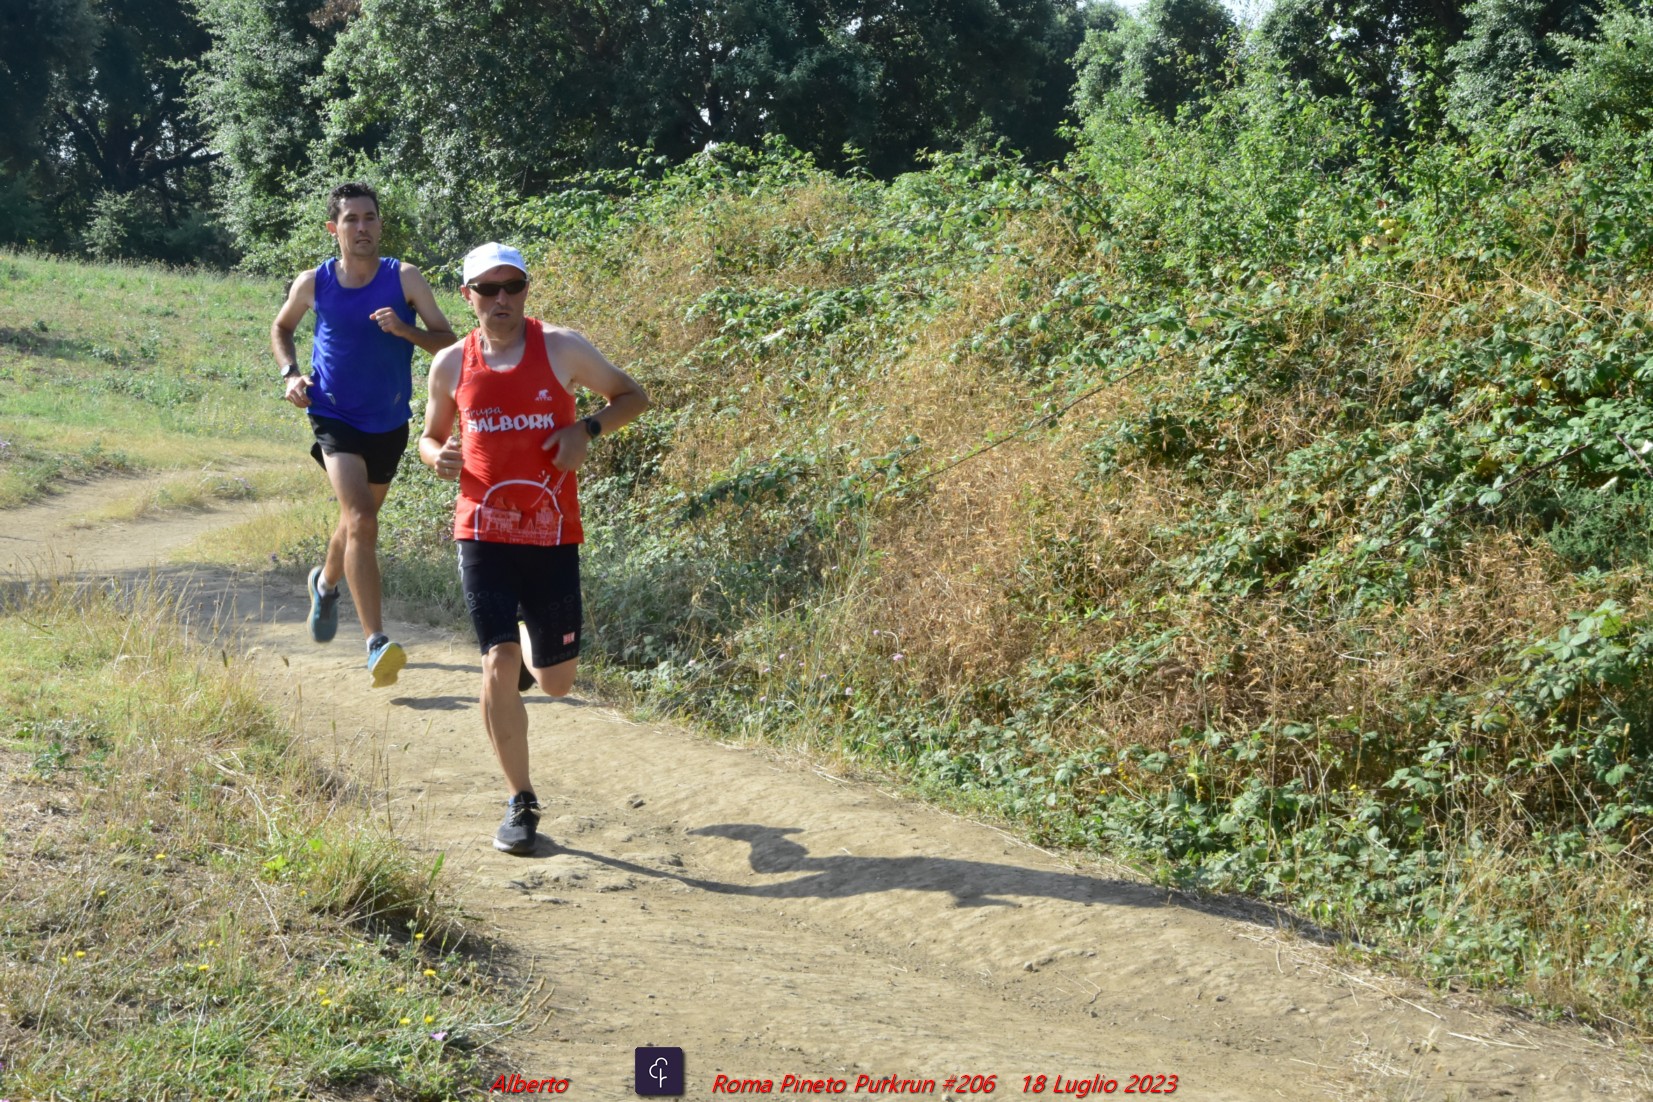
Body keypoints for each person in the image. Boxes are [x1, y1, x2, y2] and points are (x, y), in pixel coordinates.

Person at [419, 241, 649, 855]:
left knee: (554, 684)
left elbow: (632, 396)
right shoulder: (448, 363)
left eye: (511, 286)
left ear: (525, 289)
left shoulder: (561, 347)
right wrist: (435, 456)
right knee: (494, 666)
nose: (501, 300)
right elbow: (431, 437)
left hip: (551, 535)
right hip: (481, 532)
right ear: (466, 296)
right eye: (487, 289)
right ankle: (521, 800)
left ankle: (524, 654)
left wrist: (586, 428)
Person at [271, 181, 458, 687]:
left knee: (360, 521)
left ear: (379, 224)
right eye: (351, 219)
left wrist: (406, 330)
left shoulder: (406, 279)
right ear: (334, 228)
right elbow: (281, 328)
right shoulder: (315, 282)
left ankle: (325, 583)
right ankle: (376, 641)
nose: (362, 227)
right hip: (333, 414)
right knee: (361, 519)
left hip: (389, 421)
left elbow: (449, 343)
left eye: (369, 218)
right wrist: (292, 375)